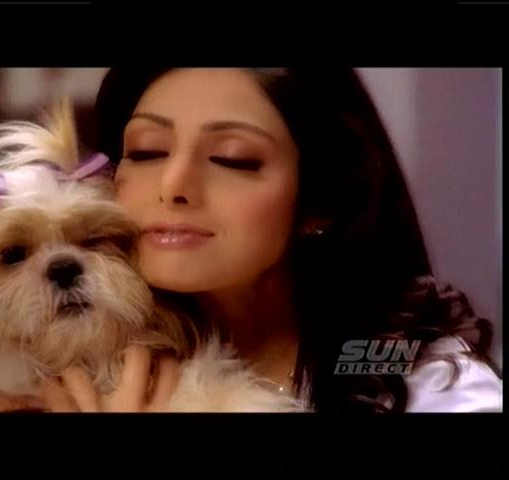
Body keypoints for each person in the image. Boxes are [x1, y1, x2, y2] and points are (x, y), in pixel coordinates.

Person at [39, 68, 502, 413]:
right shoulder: (61, 360)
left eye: (232, 159)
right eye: (147, 152)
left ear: (320, 202)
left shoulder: (417, 379)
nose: (173, 185)